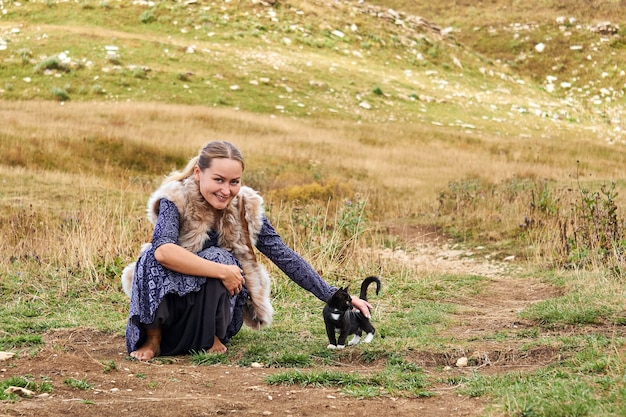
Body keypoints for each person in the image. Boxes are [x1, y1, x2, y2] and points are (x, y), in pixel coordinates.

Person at [122, 141, 372, 361]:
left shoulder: (245, 205)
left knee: (221, 257)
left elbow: (282, 254)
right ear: (198, 173)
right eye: (218, 180)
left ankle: (211, 337)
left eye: (234, 182)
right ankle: (153, 338)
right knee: (152, 255)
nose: (226, 190)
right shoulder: (175, 197)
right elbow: (164, 252)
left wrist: (336, 297)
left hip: (214, 310)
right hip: (172, 308)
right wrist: (221, 271)